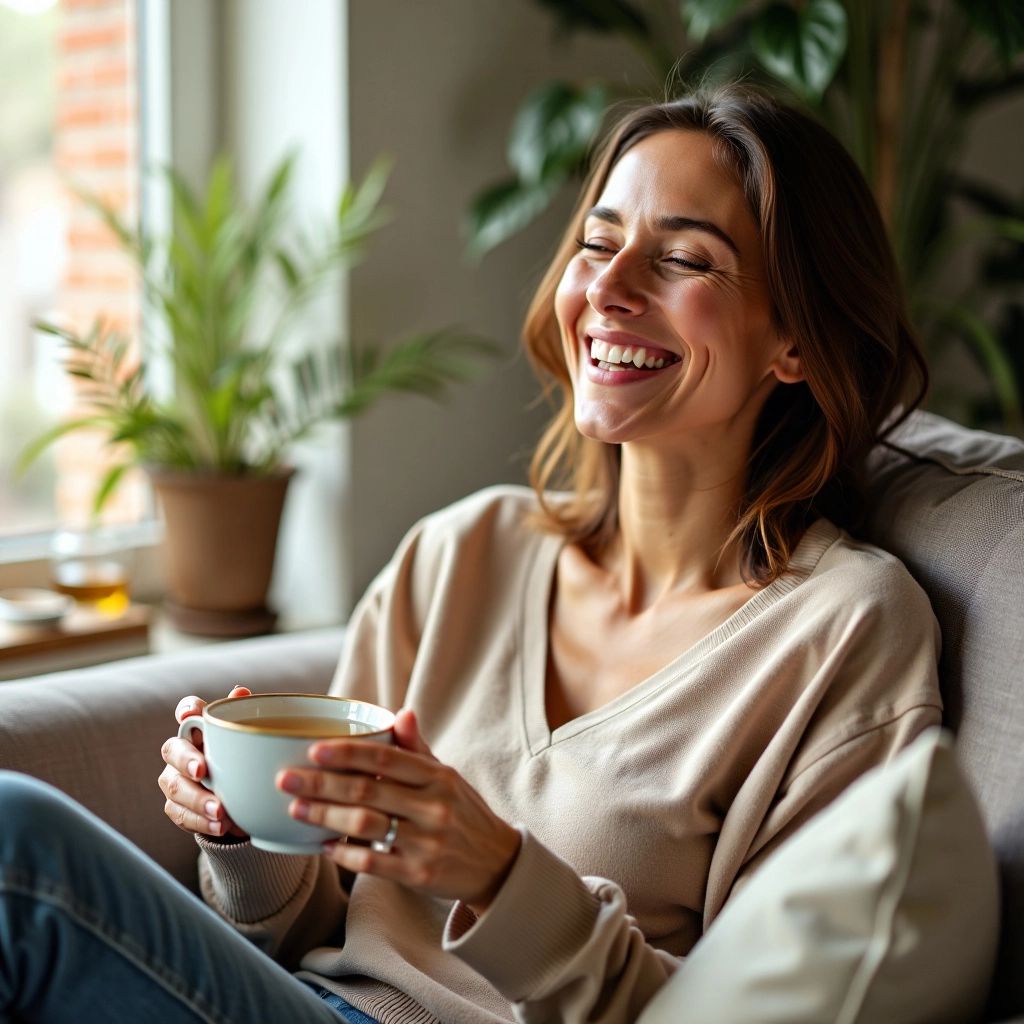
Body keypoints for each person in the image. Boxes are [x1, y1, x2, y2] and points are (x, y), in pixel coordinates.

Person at [0, 84, 942, 1024]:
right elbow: (307, 931)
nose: (608, 291)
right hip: (308, 1005)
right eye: (598, 243)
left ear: (794, 341)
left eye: (684, 259)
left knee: (16, 843)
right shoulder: (460, 553)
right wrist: (248, 834)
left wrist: (500, 874)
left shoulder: (846, 624)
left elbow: (768, 1012)